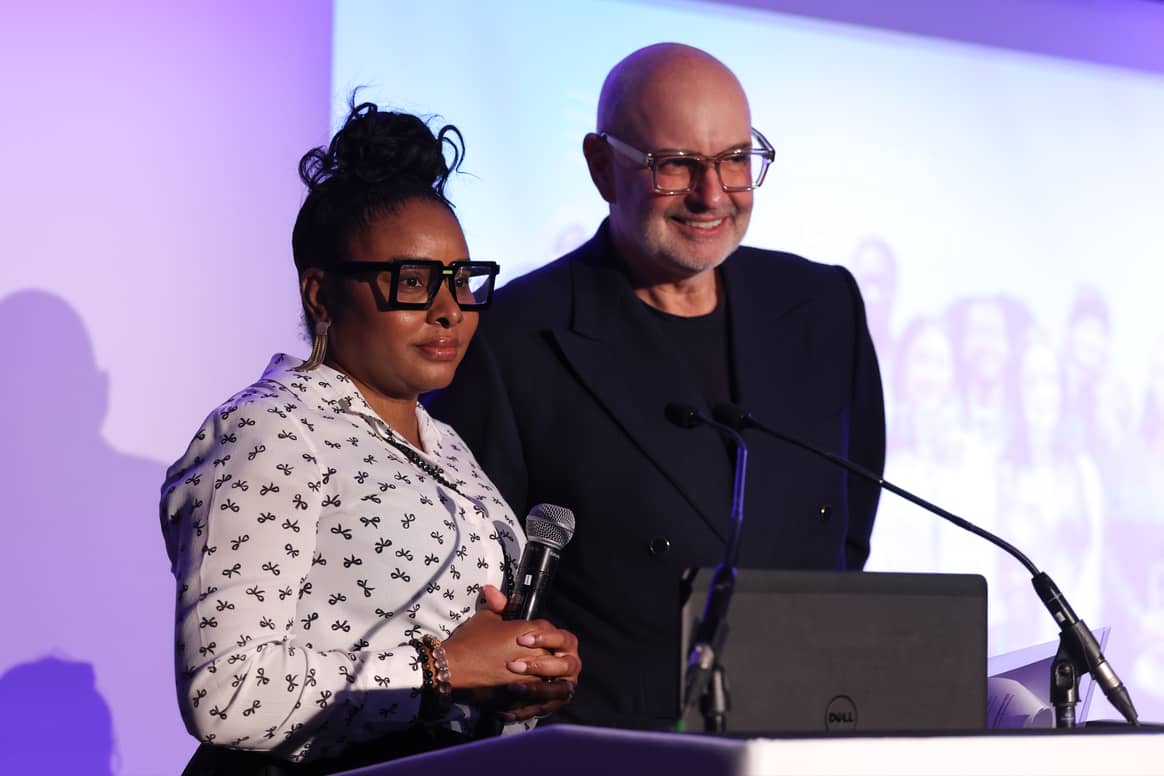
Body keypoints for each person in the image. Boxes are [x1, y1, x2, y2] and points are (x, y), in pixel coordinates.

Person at [426, 43, 885, 731]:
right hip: (614, 748)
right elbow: (479, 584)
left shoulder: (822, 307)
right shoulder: (517, 336)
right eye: (676, 165)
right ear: (602, 166)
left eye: (735, 159)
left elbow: (848, 526)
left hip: (799, 734)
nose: (712, 194)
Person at [160, 101, 581, 774]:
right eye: (412, 281)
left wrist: (516, 677)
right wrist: (445, 669)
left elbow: (443, 662)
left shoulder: (444, 444)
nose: (449, 310)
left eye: (463, 280)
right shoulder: (271, 432)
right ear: (321, 294)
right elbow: (225, 695)